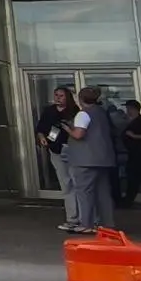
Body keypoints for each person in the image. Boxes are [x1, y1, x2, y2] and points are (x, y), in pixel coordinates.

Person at [64, 86, 120, 235]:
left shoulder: (82, 114)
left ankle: (86, 224)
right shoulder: (102, 112)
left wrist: (68, 129)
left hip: (85, 160)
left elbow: (79, 134)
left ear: (80, 99)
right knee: (103, 193)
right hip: (103, 158)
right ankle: (108, 224)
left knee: (84, 192)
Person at [37, 85, 79, 229]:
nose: (58, 98)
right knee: (65, 183)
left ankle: (83, 216)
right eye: (56, 95)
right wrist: (42, 138)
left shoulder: (74, 111)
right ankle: (72, 218)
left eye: (61, 95)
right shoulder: (49, 111)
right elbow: (41, 128)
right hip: (55, 149)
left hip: (71, 148)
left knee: (77, 182)